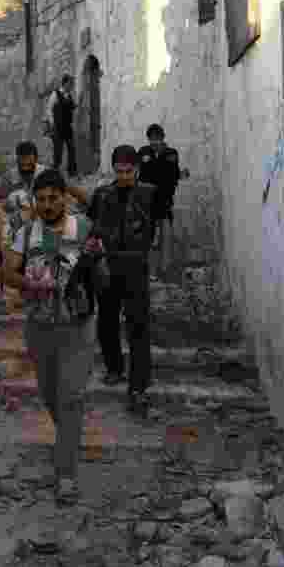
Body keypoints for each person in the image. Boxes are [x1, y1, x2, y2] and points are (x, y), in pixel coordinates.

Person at [4, 168, 95, 506]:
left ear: (64, 198)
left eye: (53, 198)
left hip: (77, 326)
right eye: (40, 199)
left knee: (70, 397)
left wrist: (95, 268)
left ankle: (66, 474)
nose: (46, 204)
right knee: (49, 394)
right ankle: (68, 438)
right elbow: (7, 272)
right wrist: (29, 282)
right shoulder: (25, 233)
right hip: (40, 327)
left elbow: (102, 269)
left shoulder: (83, 228)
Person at [84, 145, 157, 411]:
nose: (124, 175)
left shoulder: (149, 194)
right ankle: (114, 368)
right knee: (107, 322)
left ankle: (138, 386)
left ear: (136, 169)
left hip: (136, 267)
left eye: (129, 171)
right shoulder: (102, 195)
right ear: (114, 170)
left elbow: (155, 230)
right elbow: (91, 229)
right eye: (120, 171)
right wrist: (93, 257)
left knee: (138, 326)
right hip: (108, 267)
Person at [137, 124, 182, 275]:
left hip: (164, 202)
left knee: (165, 238)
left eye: (157, 139)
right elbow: (139, 175)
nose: (154, 142)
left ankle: (164, 269)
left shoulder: (171, 153)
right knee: (148, 239)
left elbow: (174, 176)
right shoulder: (143, 152)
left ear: (163, 138)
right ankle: (150, 271)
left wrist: (168, 185)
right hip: (147, 203)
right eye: (151, 139)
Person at [43, 74, 77, 178]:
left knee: (72, 149)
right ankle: (55, 173)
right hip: (57, 127)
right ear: (65, 83)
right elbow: (49, 108)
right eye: (71, 84)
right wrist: (52, 123)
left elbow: (71, 107)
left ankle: (72, 173)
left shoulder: (69, 95)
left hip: (68, 127)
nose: (72, 86)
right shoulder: (55, 94)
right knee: (58, 151)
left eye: (72, 84)